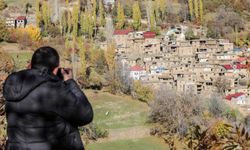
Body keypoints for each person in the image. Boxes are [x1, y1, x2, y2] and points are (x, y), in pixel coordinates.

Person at [3, 46, 93, 150]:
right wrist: (70, 82)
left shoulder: (13, 86)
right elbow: (86, 115)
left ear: (30, 65)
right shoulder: (54, 90)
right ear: (55, 70)